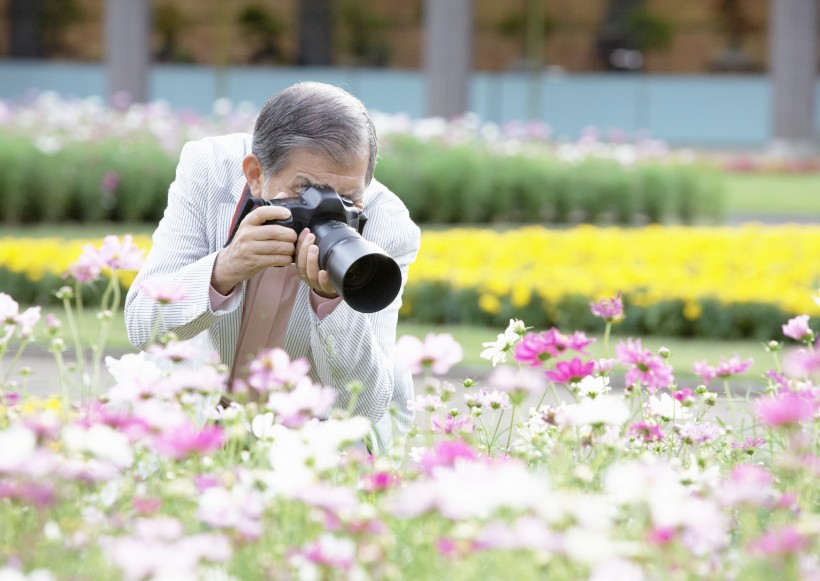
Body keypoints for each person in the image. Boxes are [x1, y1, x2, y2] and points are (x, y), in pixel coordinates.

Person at [124, 82, 421, 453]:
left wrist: (333, 303)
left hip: (313, 437)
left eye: (347, 199)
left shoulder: (386, 226)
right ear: (255, 174)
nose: (325, 211)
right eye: (307, 190)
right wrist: (223, 270)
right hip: (195, 409)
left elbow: (363, 407)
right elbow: (141, 325)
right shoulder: (210, 170)